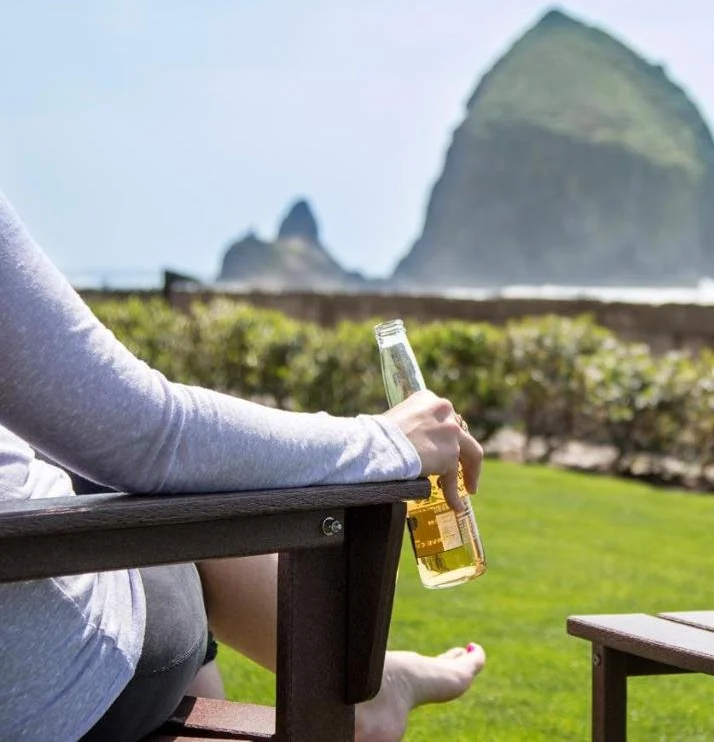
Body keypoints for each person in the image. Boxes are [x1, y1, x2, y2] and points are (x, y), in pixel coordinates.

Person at [0, 188, 486, 742]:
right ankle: (368, 692)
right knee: (180, 520)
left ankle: (377, 688)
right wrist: (385, 440)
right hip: (47, 689)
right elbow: (145, 436)